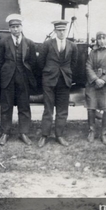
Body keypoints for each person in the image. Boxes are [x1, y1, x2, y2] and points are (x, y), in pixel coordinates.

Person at [0, 14, 37, 146]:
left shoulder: (29, 43)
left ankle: (23, 133)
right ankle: (5, 133)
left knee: (24, 106)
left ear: (21, 27)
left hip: (23, 78)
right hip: (8, 79)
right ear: (9, 29)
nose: (15, 29)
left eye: (17, 26)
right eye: (13, 27)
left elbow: (32, 62)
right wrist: (4, 75)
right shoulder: (3, 42)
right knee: (6, 106)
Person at [37, 20, 78, 148]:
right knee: (48, 109)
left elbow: (73, 63)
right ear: (55, 31)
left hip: (64, 81)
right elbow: (40, 62)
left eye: (63, 30)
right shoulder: (47, 44)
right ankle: (44, 135)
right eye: (59, 30)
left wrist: (66, 74)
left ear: (66, 31)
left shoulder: (72, 46)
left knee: (62, 110)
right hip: (49, 80)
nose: (61, 33)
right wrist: (49, 72)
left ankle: (59, 135)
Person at [85, 31, 106, 145]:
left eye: (103, 38)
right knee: (91, 107)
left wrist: (104, 80)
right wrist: (96, 79)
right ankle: (91, 131)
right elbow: (88, 66)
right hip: (93, 83)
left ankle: (104, 134)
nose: (101, 40)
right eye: (99, 38)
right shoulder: (92, 53)